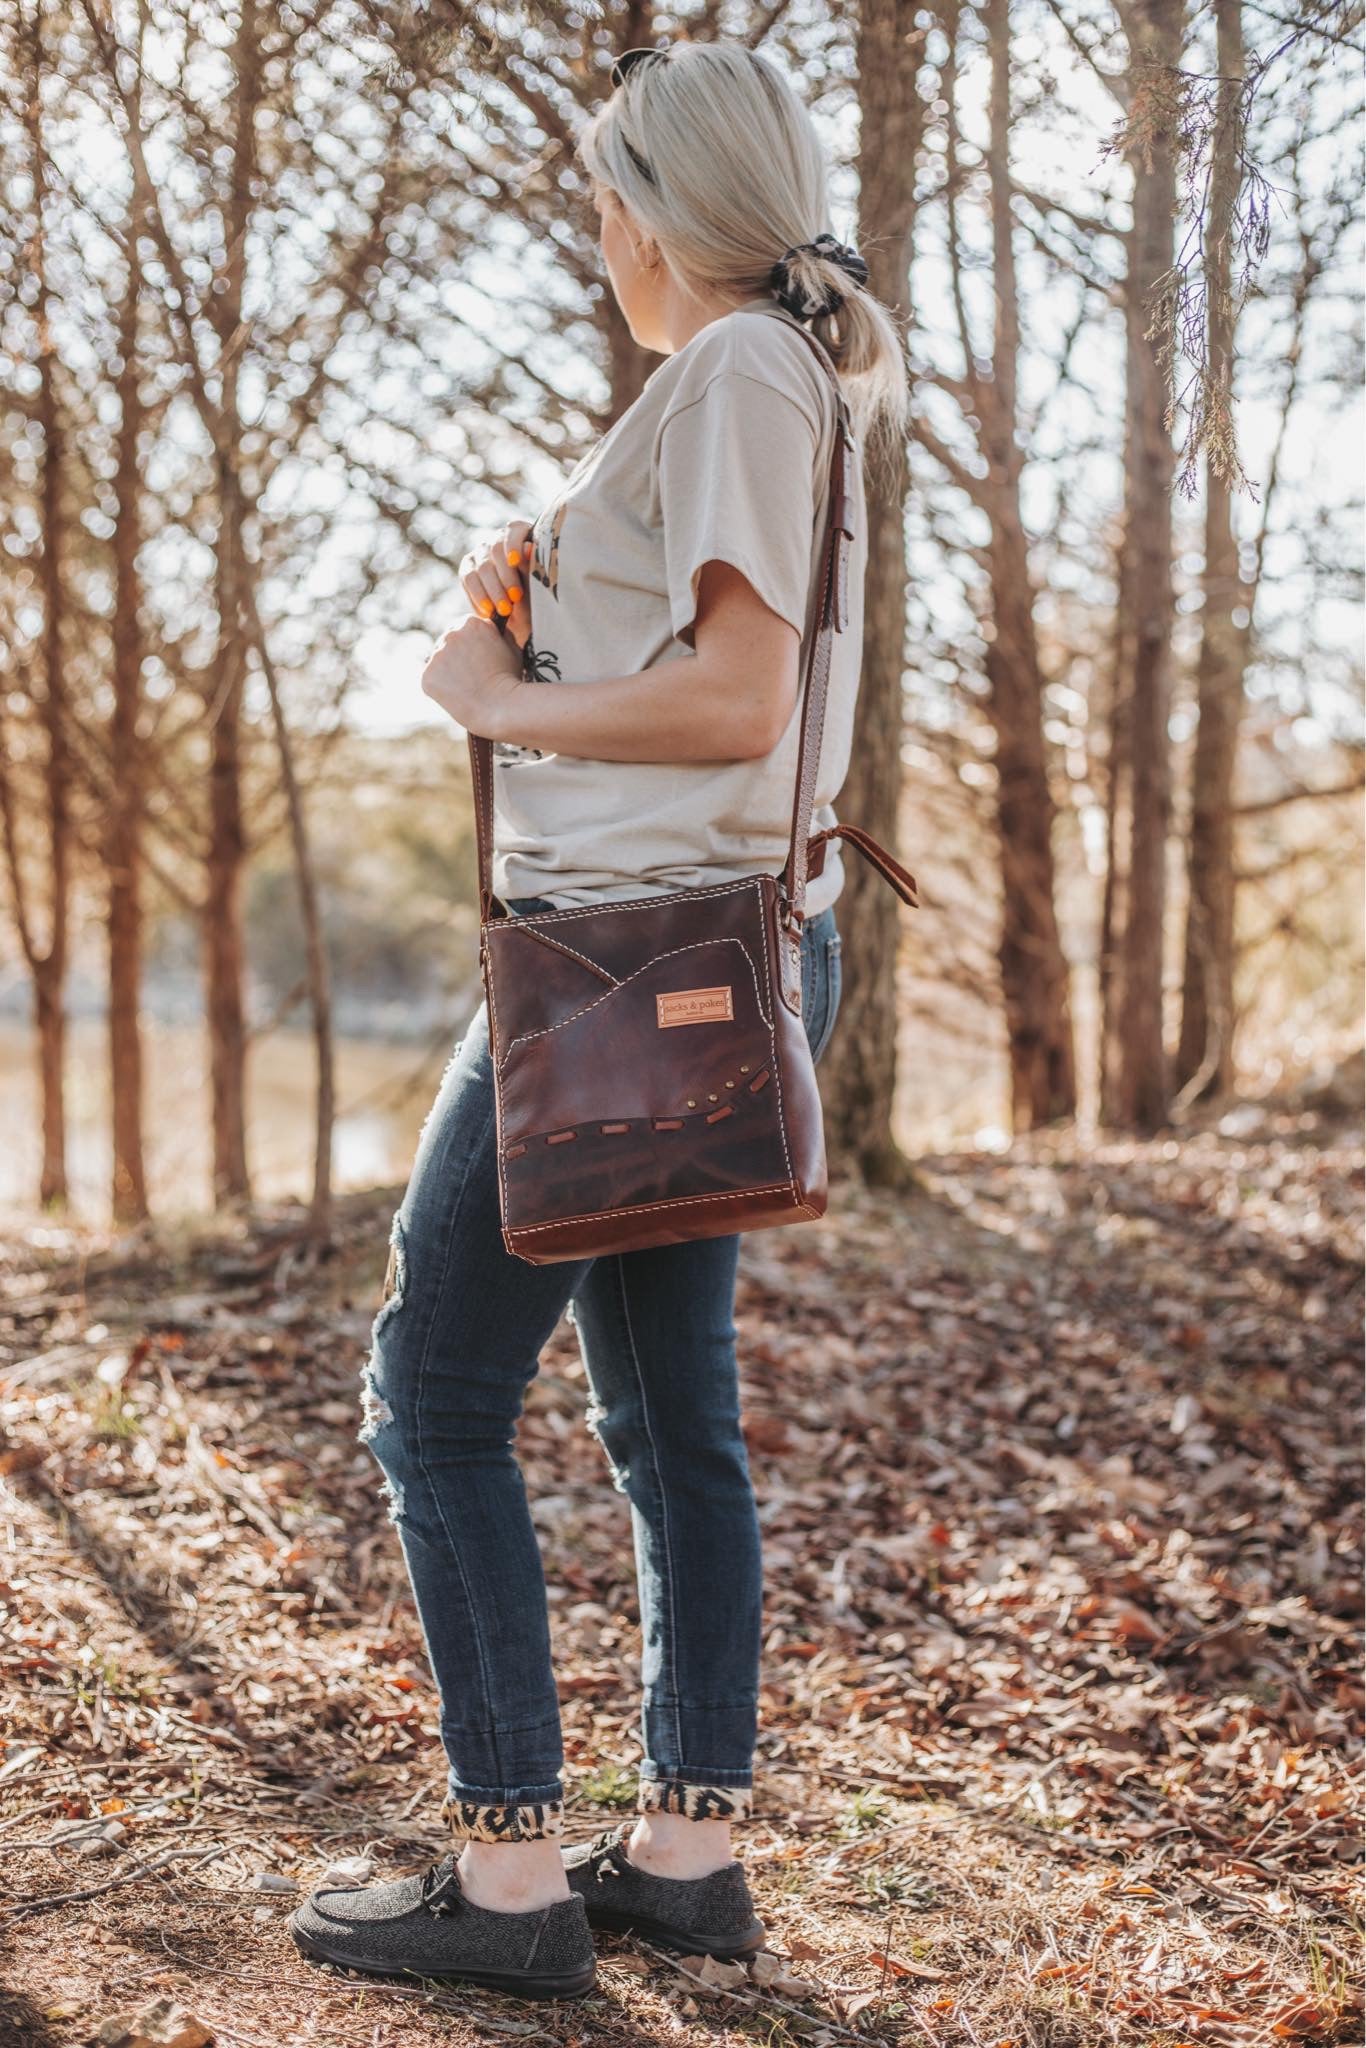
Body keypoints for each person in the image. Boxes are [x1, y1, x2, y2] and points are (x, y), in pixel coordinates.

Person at [290, 35, 909, 2003]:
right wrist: (529, 604)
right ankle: (685, 1853)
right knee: (665, 1426)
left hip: (624, 964)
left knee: (436, 1396)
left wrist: (496, 702)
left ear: (648, 206)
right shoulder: (757, 380)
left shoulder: (731, 365)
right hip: (696, 946)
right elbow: (682, 657)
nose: (594, 238)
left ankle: (505, 1883)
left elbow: (732, 697)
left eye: (598, 203)